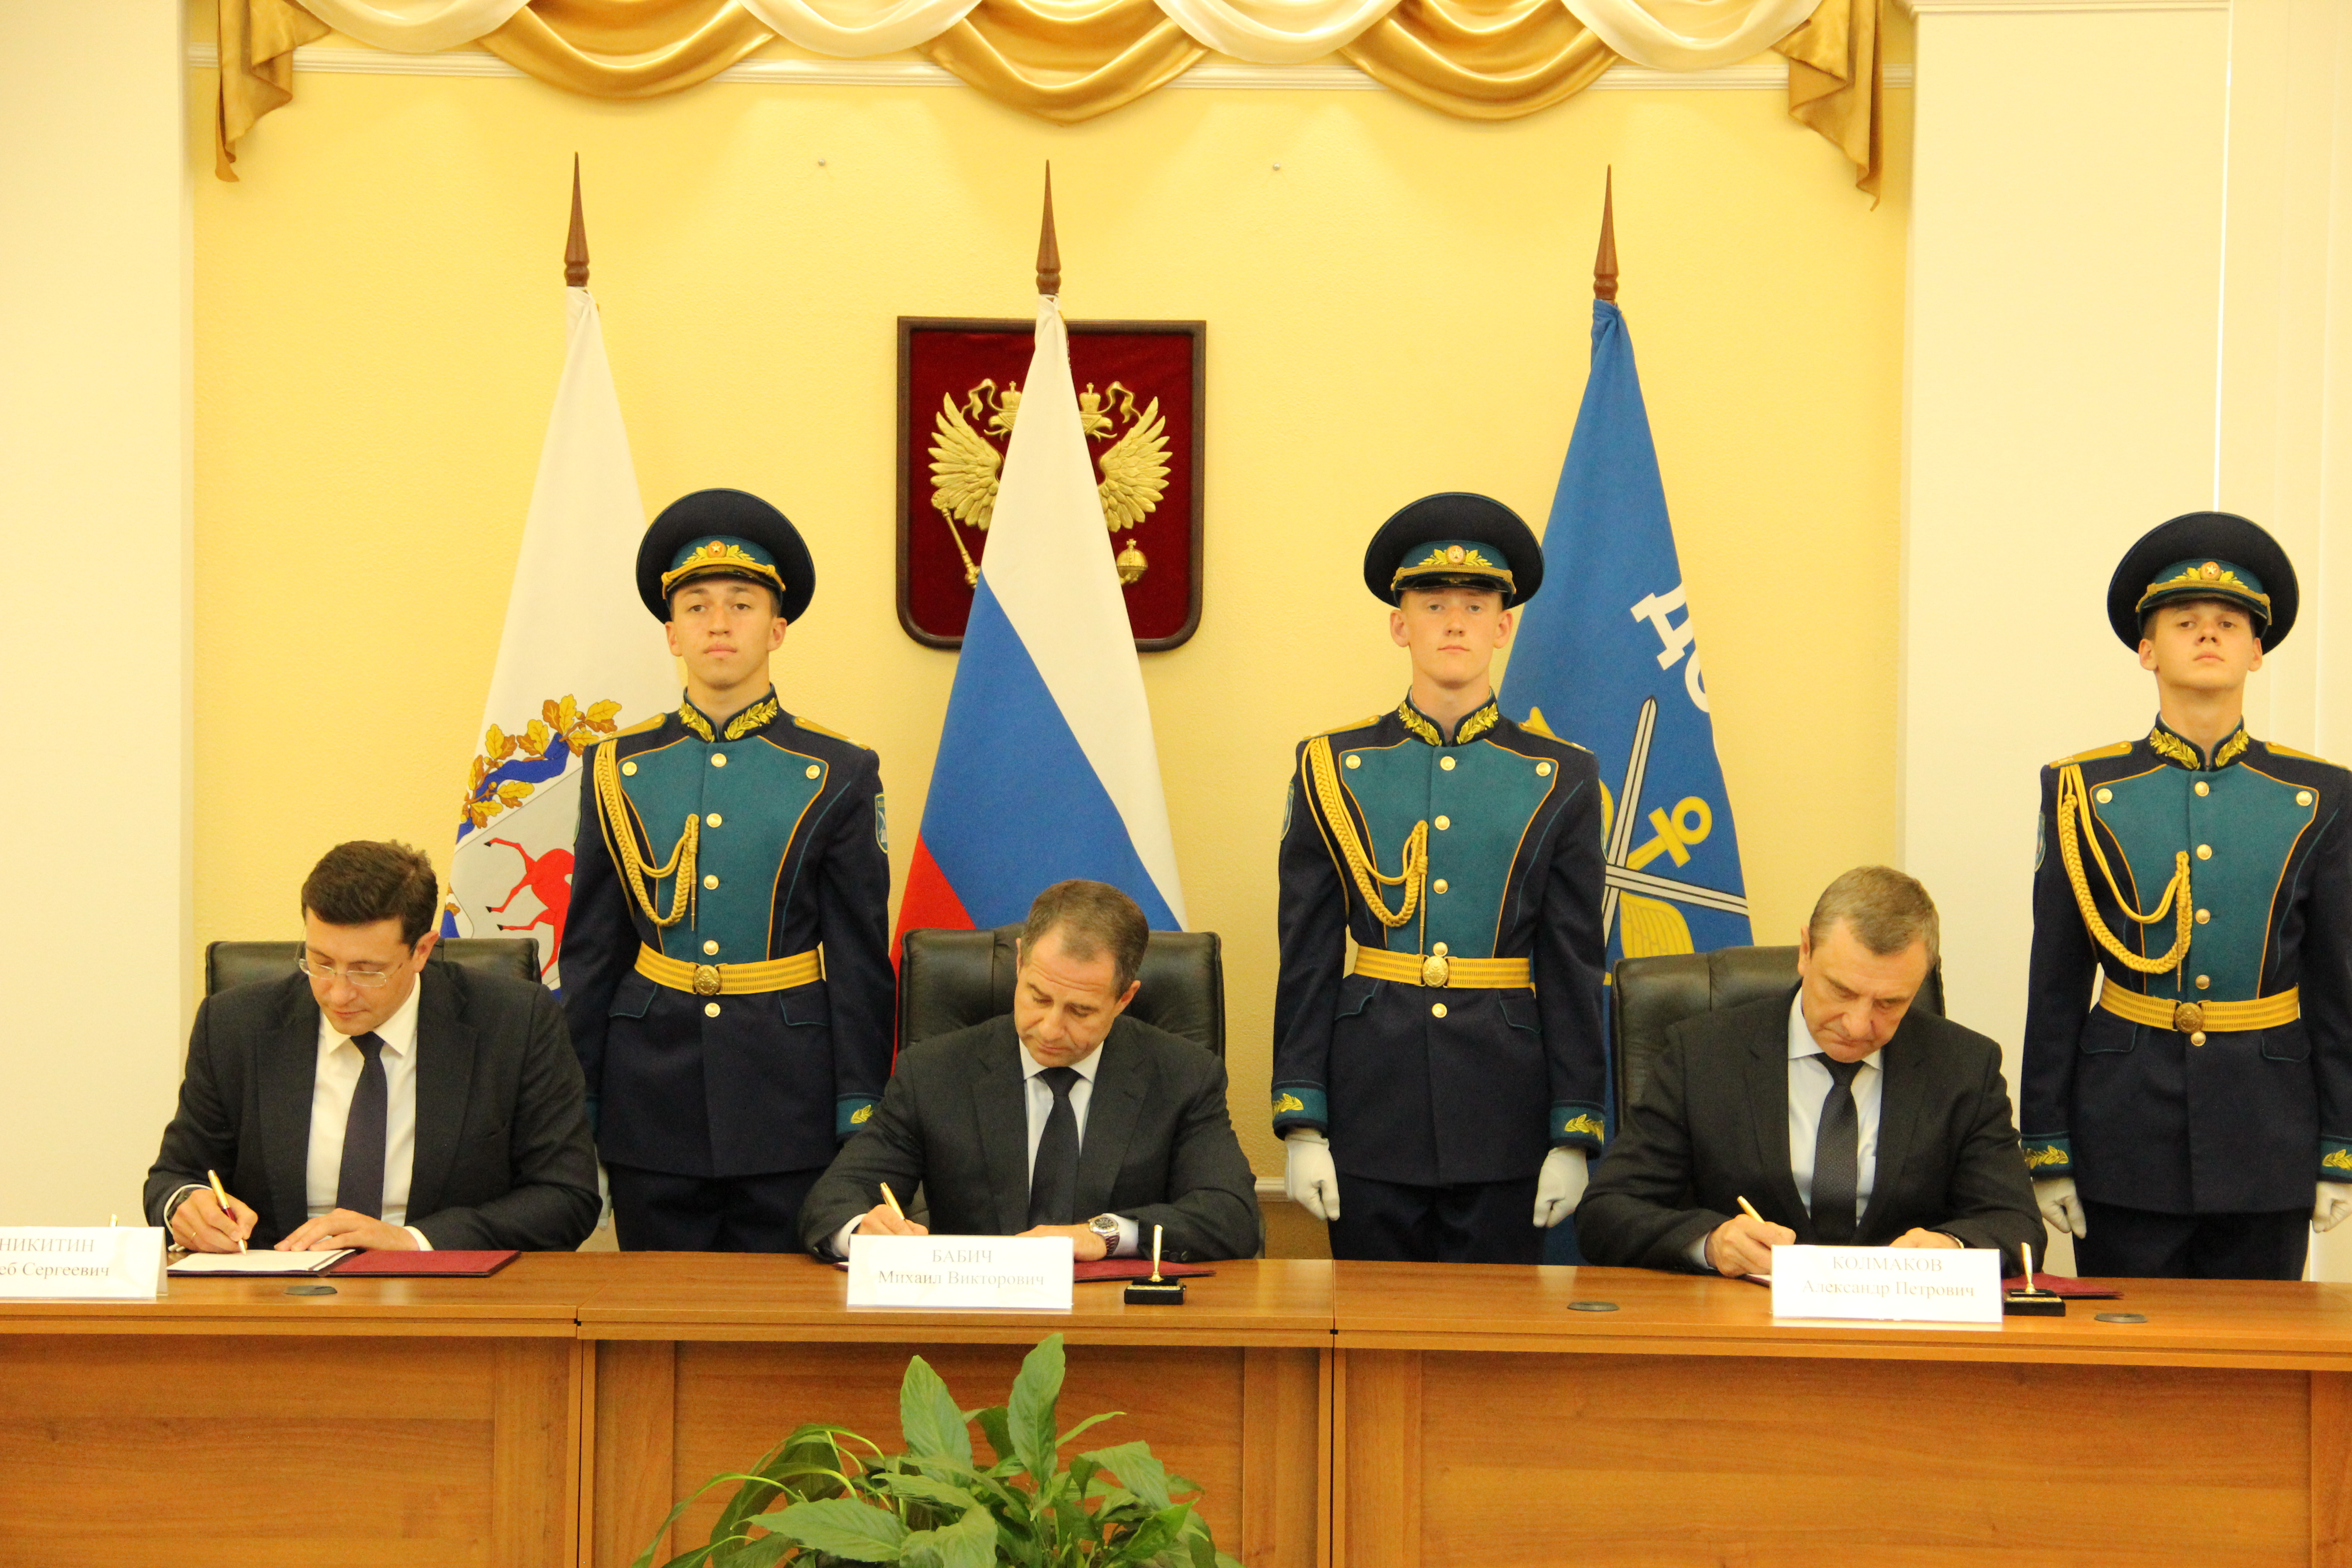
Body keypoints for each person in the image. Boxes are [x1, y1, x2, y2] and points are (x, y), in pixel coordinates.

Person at [1270, 492, 1607, 1264]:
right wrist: (1302, 1121)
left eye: (1475, 605)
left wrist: (1574, 1129)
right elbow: (1308, 954)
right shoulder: (1331, 767)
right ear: (1400, 625)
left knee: (1493, 1330)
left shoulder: (1561, 776)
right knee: (1368, 1325)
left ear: (1503, 626)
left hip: (1506, 1108)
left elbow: (1572, 962)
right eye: (1432, 605)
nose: (1454, 623)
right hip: (1369, 1103)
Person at [559, 488, 893, 1252]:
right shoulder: (615, 766)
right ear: (671, 633)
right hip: (649, 1094)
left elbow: (858, 961)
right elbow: (592, 952)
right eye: (697, 606)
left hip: (788, 1096)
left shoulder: (838, 770)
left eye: (741, 605)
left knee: (784, 1310)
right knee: (656, 1308)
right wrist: (580, 1101)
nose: (718, 623)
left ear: (777, 628)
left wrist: (859, 1106)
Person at [2022, 510, 2352, 1279]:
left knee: (2256, 1351)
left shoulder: (2319, 796)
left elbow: (2336, 987)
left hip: (2268, 1134)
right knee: (2127, 1345)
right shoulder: (2081, 791)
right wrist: (2046, 1144)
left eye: (2229, 623)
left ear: (2256, 651)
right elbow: (2056, 982)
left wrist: (2339, 1145)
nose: (2208, 634)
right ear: (2146, 650)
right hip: (2122, 1131)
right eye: (2183, 622)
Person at [1580, 866, 2043, 1275]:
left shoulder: (1965, 1067)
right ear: (1805, 952)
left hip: (1902, 1328)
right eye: (1842, 991)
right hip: (1742, 1325)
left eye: (1889, 1003)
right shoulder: (1702, 1055)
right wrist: (1711, 1244)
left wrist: (1952, 1248)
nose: (1857, 1025)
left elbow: (2017, 1225)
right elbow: (1607, 1212)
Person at [145, 840, 600, 1253]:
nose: (338, 993)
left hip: (446, 1300)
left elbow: (566, 1197)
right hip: (279, 1297)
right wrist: (185, 1205)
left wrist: (413, 1242)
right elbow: (174, 1177)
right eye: (321, 962)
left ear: (422, 952)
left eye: (366, 971)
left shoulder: (514, 1023)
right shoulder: (235, 1026)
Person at [799, 879, 1259, 1262]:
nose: (1051, 1028)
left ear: (1125, 998)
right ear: (1019, 963)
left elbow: (1232, 1215)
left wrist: (1105, 1234)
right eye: (1038, 997)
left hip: (1119, 1318)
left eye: (1080, 1010)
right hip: (975, 1319)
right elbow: (834, 1198)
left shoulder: (1183, 1076)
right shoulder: (934, 1072)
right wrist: (863, 1231)